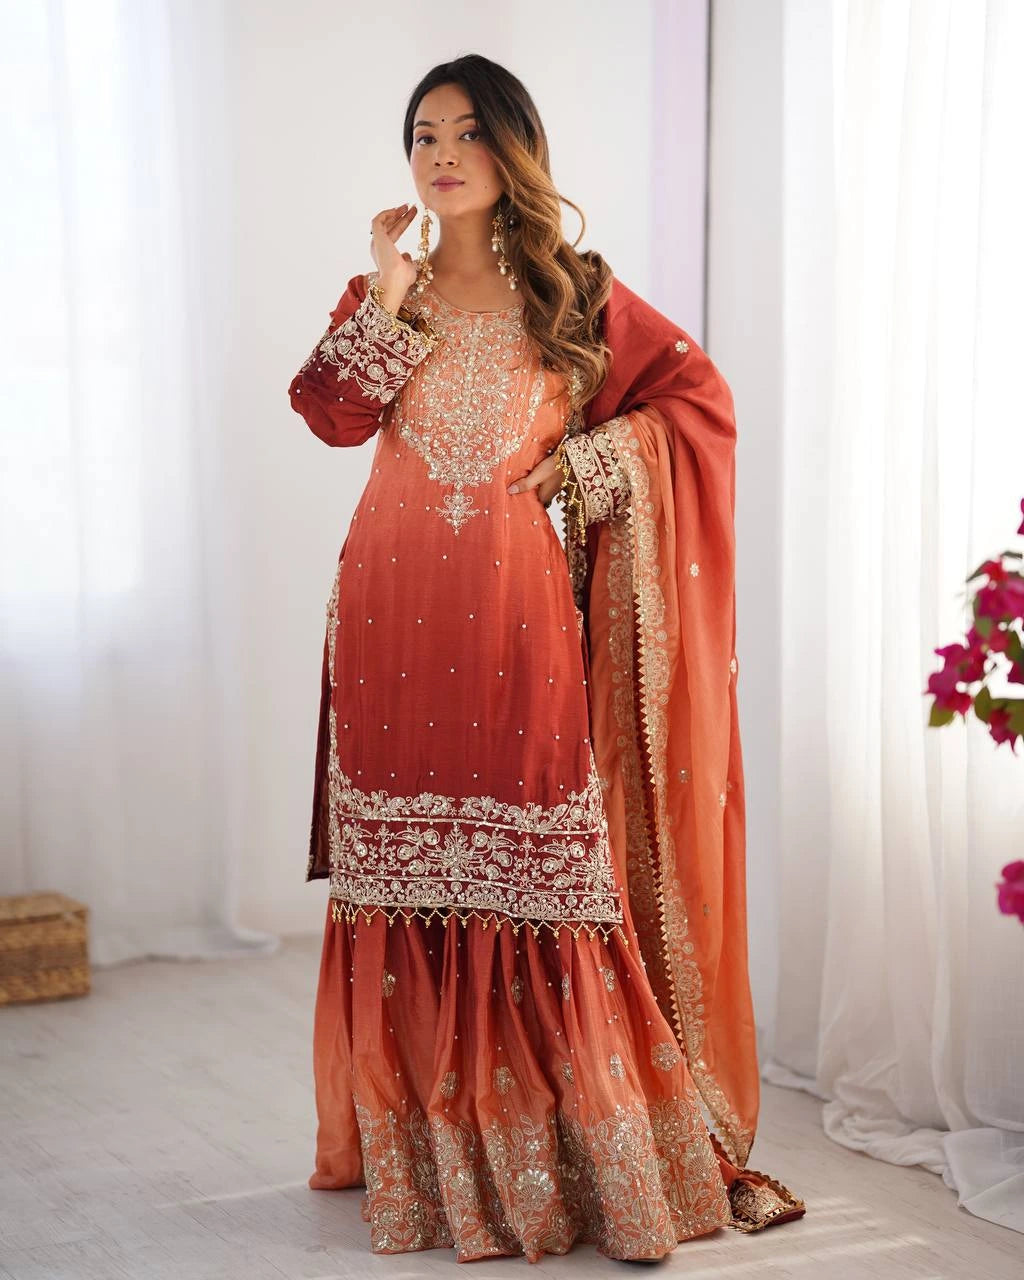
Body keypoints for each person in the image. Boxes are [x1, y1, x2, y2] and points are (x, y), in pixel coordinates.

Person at [287, 52, 805, 1265]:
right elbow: (327, 415)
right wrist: (382, 295)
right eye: (423, 134)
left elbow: (695, 403)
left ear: (515, 149)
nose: (442, 152)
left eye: (468, 130)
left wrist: (585, 464)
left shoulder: (575, 292)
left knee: (547, 883)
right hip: (387, 610)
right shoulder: (387, 294)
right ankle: (422, 1155)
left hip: (520, 618)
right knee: (410, 881)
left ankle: (586, 1152)